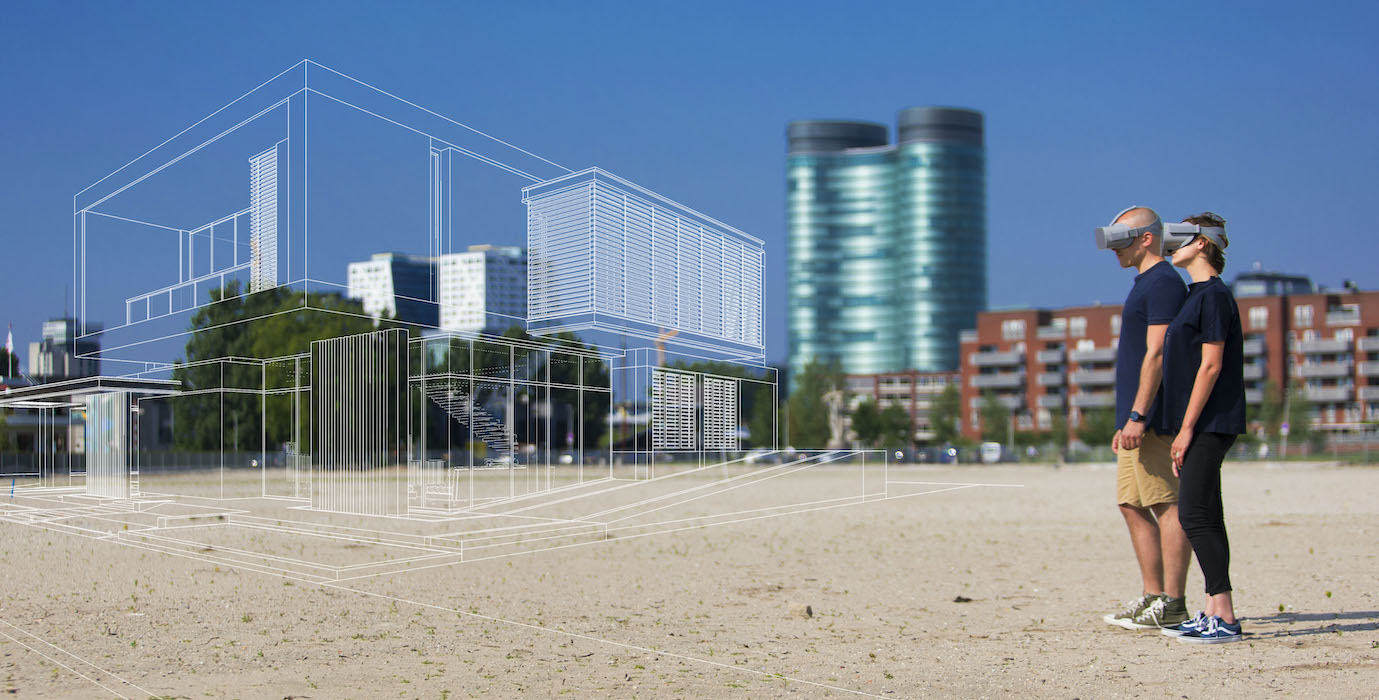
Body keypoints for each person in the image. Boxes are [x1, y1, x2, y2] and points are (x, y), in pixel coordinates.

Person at [1097, 206, 1194, 631]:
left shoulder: (1164, 283)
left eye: (1123, 239)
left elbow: (1157, 354)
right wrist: (1125, 418)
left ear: (1148, 238)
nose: (1115, 249)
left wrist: (1139, 414)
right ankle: (1153, 596)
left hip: (1152, 418)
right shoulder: (1145, 284)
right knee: (1131, 504)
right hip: (1133, 418)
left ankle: (1174, 603)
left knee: (1165, 503)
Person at [1157, 212, 1247, 643]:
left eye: (1181, 238)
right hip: (1200, 422)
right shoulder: (1196, 296)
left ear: (1202, 244)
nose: (1171, 245)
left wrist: (1187, 428)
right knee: (1207, 513)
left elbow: (1211, 366)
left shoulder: (1214, 296)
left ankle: (1225, 615)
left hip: (1210, 421)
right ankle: (1214, 610)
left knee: (1193, 514)